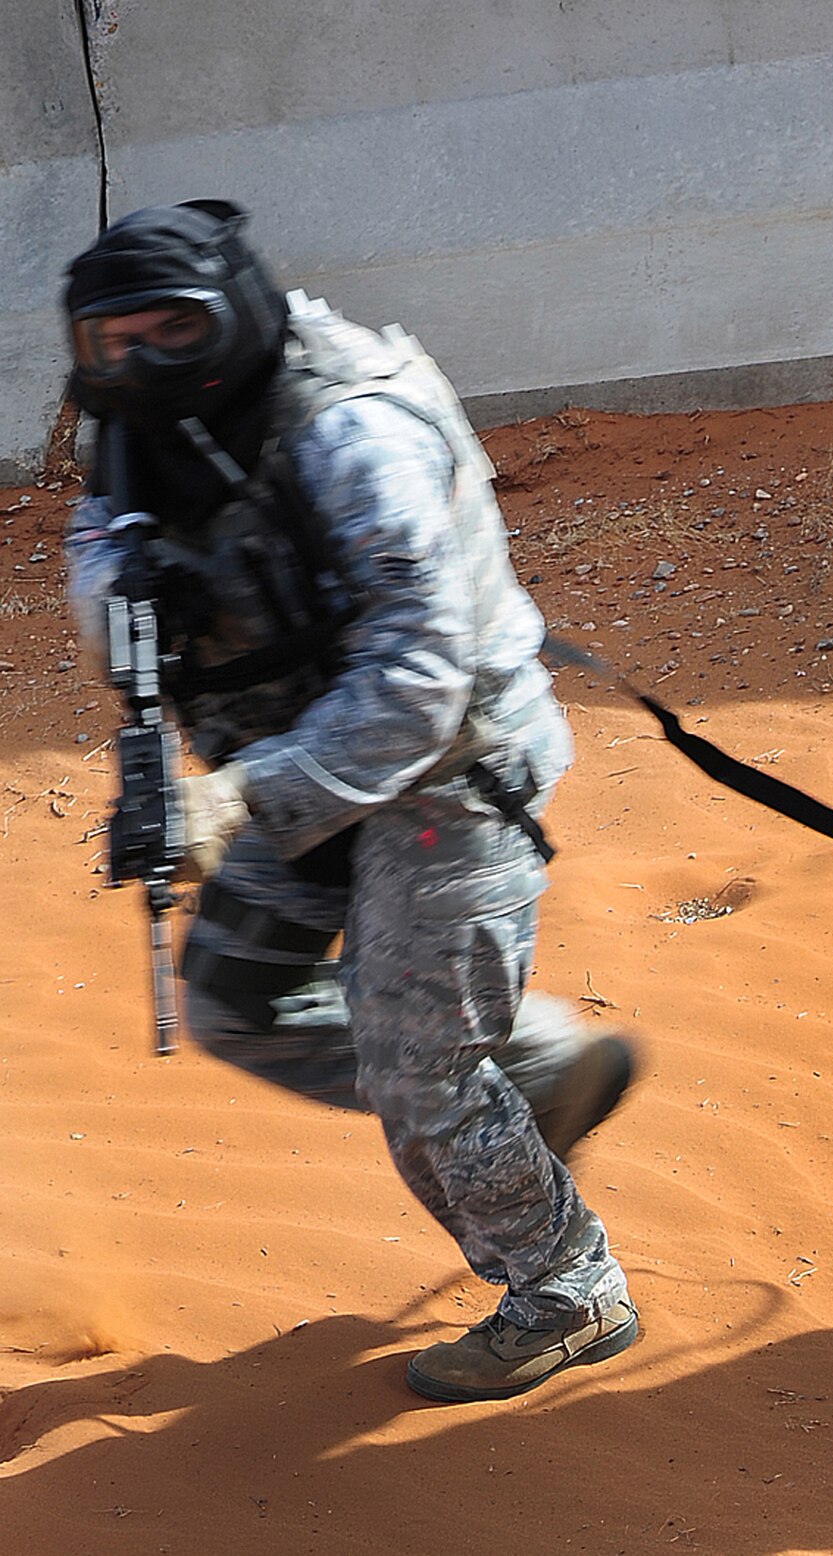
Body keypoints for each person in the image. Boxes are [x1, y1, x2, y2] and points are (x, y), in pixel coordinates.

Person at [61, 199, 639, 1402]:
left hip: (445, 775)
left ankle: (568, 1288)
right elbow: (99, 549)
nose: (140, 363)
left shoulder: (349, 428)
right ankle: (532, 1069)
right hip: (289, 770)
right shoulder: (135, 433)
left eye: (173, 329)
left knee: (421, 1072)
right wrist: (132, 594)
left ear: (238, 316)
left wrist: (230, 802)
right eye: (111, 341)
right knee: (232, 1002)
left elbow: (418, 679)